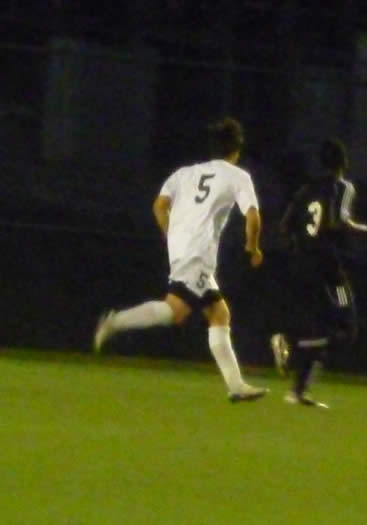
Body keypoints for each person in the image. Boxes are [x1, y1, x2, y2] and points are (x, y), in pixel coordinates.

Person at [93, 117, 268, 402]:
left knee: (218, 314)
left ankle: (236, 386)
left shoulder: (185, 173)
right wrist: (253, 247)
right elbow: (253, 217)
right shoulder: (238, 176)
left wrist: (171, 235)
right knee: (176, 310)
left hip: (182, 250)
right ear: (237, 149)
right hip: (198, 254)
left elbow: (159, 206)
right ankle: (116, 322)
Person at [270, 138, 367, 408]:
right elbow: (341, 221)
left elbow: (285, 227)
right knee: (347, 326)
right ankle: (290, 346)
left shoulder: (306, 190)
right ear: (343, 163)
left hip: (302, 267)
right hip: (329, 270)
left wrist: (301, 249)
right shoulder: (343, 187)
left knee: (318, 331)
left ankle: (298, 391)